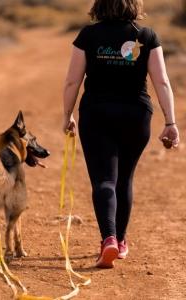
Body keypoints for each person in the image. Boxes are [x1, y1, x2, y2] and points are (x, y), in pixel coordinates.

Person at [62, 0, 180, 268]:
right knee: (124, 178)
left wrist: (67, 114)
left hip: (96, 114)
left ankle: (109, 239)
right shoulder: (146, 36)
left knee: (104, 179)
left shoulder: (88, 35)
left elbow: (72, 80)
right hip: (136, 116)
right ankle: (122, 241)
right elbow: (161, 81)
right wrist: (170, 122)